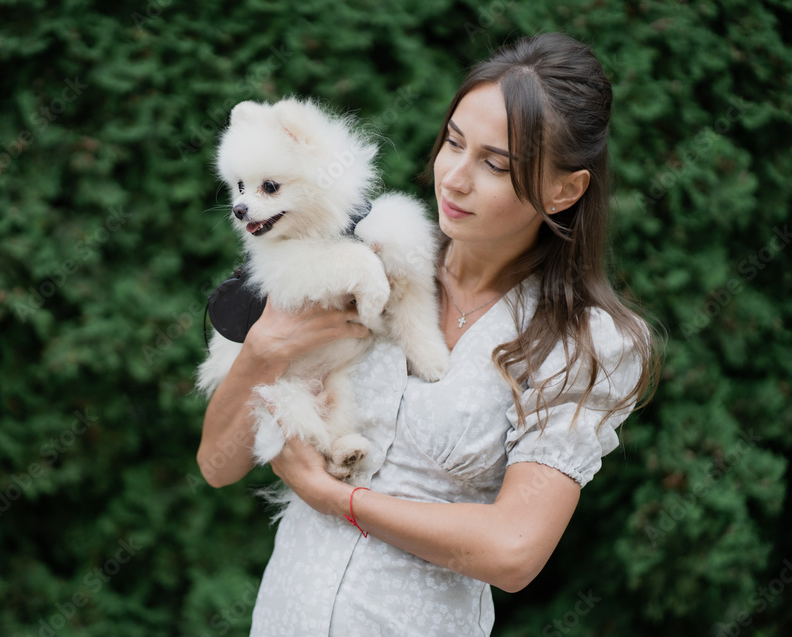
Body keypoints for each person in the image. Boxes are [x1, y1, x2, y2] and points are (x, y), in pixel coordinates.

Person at [197, 32, 662, 636]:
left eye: (496, 164)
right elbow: (216, 464)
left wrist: (339, 500)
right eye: (454, 143)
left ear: (564, 190)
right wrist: (264, 350)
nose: (455, 178)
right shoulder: (364, 253)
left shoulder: (580, 341)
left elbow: (513, 552)